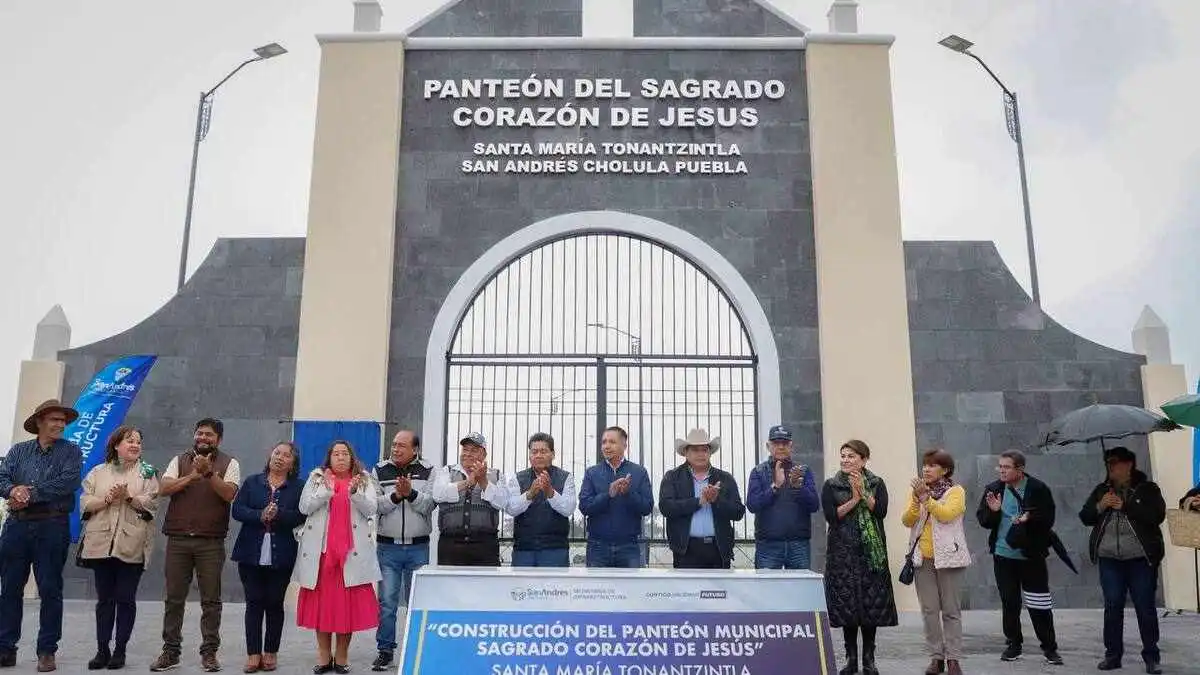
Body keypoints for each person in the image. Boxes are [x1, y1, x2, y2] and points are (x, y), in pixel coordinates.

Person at [151, 418, 241, 672]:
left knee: (211, 600)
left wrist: (209, 473)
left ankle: (209, 652)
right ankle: (170, 652)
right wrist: (192, 476)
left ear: (218, 440)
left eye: (209, 435)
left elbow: (229, 494)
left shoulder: (229, 463)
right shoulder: (179, 460)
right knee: (173, 599)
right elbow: (164, 488)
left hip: (210, 541)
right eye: (199, 433)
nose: (203, 438)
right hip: (178, 539)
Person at [0, 399, 84, 672]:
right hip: (17, 527)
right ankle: (5, 648)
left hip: (52, 526)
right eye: (55, 420)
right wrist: (13, 491)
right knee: (10, 589)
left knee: (50, 590)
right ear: (39, 422)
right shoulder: (18, 451)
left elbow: (68, 482)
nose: (60, 424)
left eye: (63, 420)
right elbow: (1, 477)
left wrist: (29, 494)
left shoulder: (71, 452)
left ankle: (47, 651)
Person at [295, 441, 381, 674]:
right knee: (322, 608)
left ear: (352, 458)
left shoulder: (362, 479)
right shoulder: (316, 478)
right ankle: (324, 657)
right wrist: (326, 490)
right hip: (322, 555)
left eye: (345, 454)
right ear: (329, 457)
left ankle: (341, 657)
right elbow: (304, 507)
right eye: (336, 454)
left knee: (346, 610)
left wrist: (354, 493)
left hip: (351, 555)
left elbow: (371, 508)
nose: (341, 457)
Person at [78, 425, 160, 670]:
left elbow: (151, 504)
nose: (135, 445)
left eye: (138, 441)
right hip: (101, 544)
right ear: (116, 445)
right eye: (129, 441)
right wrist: (107, 499)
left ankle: (120, 651)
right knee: (105, 599)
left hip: (131, 543)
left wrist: (129, 498)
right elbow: (85, 503)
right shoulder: (98, 471)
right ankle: (102, 650)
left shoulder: (147, 473)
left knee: (126, 598)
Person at [1079, 446, 1165, 674]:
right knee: (1112, 605)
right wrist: (1101, 506)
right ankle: (1113, 655)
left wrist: (1125, 506)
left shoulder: (1147, 489)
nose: (1111, 468)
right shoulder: (1102, 490)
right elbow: (1085, 516)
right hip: (1110, 559)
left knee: (1145, 607)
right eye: (1108, 463)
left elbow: (1156, 516)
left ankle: (1151, 657)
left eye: (1115, 463)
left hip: (1139, 559)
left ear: (1128, 465)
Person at [976, 449, 1063, 666]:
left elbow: (1048, 518)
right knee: (1010, 601)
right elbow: (983, 520)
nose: (1002, 471)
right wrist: (995, 511)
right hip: (1003, 555)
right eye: (1000, 467)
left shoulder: (1037, 488)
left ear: (1020, 469)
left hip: (1031, 555)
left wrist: (1029, 518)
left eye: (1006, 467)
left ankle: (1049, 648)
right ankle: (1013, 644)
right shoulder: (994, 489)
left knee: (1039, 603)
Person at [821, 439, 896, 675]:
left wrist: (864, 493)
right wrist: (853, 499)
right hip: (842, 554)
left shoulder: (876, 483)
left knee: (869, 608)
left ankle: (868, 659)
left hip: (870, 555)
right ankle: (851, 659)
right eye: (843, 455)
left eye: (851, 456)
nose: (845, 460)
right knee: (848, 608)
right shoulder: (831, 485)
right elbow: (832, 517)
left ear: (863, 460)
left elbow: (881, 512)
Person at [231, 442, 305, 673]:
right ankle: (253, 654)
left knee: (274, 602)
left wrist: (279, 514)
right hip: (250, 552)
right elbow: (238, 510)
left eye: (286, 455)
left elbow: (302, 514)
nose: (280, 458)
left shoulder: (299, 487)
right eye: (277, 453)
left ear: (293, 463)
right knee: (253, 602)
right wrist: (259, 515)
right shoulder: (253, 482)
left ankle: (271, 651)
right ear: (269, 456)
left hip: (282, 553)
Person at [900, 449, 971, 675]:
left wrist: (926, 499)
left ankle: (953, 658)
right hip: (923, 558)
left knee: (951, 610)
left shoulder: (955, 492)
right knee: (929, 610)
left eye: (932, 465)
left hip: (949, 557)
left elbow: (946, 514)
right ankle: (936, 657)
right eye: (924, 465)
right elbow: (907, 520)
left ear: (945, 470)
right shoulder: (919, 491)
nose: (926, 469)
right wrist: (915, 500)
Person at [371, 430, 435, 671]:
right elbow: (375, 505)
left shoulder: (429, 470)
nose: (395, 449)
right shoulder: (379, 470)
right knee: (387, 603)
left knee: (416, 602)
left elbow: (430, 504)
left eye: (401, 445)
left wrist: (412, 494)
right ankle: (385, 651)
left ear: (415, 449)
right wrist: (398, 496)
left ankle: (414, 647)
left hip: (419, 547)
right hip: (388, 547)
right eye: (394, 444)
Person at [658, 429, 745, 569]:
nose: (700, 454)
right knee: (686, 591)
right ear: (686, 453)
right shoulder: (672, 477)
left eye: (704, 450)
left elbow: (738, 512)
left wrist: (716, 500)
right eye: (695, 450)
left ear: (710, 453)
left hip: (718, 549)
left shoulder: (725, 478)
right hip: (685, 550)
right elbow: (666, 507)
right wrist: (698, 502)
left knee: (719, 591)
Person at [745, 425, 820, 570]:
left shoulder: (802, 471)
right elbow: (752, 505)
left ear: (791, 446)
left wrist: (798, 488)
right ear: (768, 446)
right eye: (776, 443)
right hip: (768, 545)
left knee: (799, 590)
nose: (780, 447)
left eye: (784, 443)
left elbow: (814, 505)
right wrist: (775, 486)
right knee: (768, 590)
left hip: (798, 545)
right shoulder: (758, 472)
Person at [431, 433, 508, 566]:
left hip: (485, 545)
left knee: (485, 585)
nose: (468, 453)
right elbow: (438, 495)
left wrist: (484, 482)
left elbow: (502, 503)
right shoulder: (447, 471)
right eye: (465, 449)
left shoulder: (496, 475)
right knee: (451, 585)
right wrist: (467, 482)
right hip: (451, 544)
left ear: (484, 454)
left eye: (474, 450)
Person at [504, 433, 577, 568]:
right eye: (534, 452)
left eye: (543, 451)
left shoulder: (566, 477)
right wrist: (529, 494)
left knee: (554, 589)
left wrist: (550, 492)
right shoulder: (517, 478)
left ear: (553, 454)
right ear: (529, 455)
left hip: (555, 549)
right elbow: (510, 509)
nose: (538, 455)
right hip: (524, 549)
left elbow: (568, 509)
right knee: (521, 588)